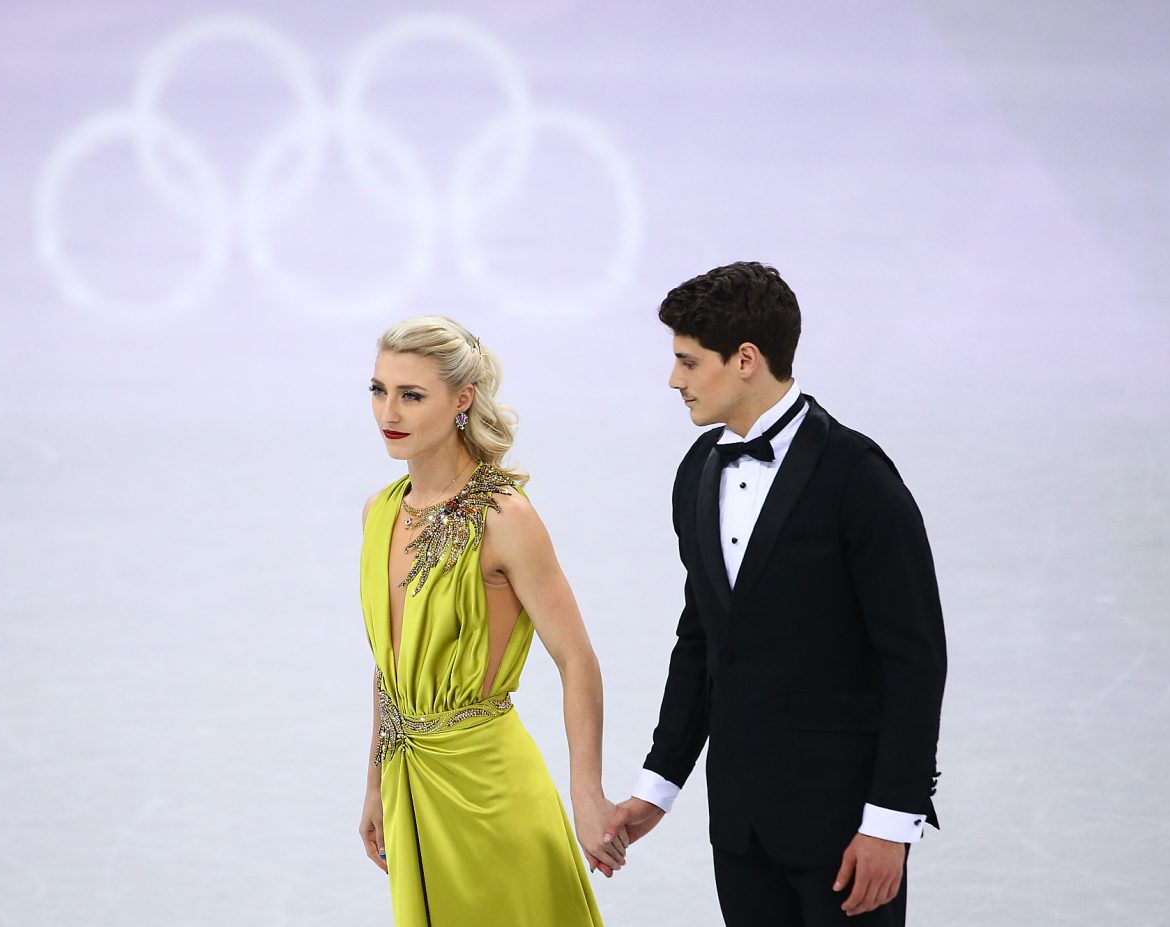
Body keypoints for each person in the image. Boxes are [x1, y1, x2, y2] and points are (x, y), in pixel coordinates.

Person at [610, 263, 947, 925]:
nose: (673, 379)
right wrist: (658, 784)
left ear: (745, 359)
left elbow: (914, 659)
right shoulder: (697, 471)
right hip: (739, 826)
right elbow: (703, 638)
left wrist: (891, 822)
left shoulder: (859, 478)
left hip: (847, 829)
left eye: (687, 361)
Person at [357, 316, 624, 926]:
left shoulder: (505, 516)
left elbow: (576, 658)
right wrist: (374, 784)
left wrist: (587, 796)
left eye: (411, 394)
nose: (388, 411)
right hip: (409, 786)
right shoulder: (379, 512)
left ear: (463, 399)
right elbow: (389, 665)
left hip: (491, 794)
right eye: (378, 390)